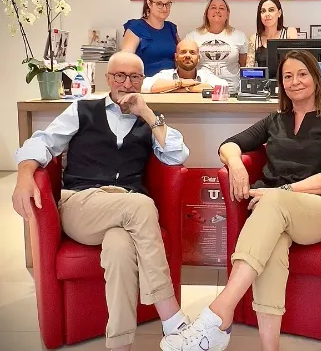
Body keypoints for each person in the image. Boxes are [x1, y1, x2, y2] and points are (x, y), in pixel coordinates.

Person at [160, 49, 321, 351]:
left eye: (302, 74)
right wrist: (236, 164)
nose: (295, 81)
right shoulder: (276, 120)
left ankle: (220, 311)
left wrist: (283, 192)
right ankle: (269, 347)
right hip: (277, 213)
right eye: (288, 76)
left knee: (271, 202)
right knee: (273, 248)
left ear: (316, 77)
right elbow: (229, 144)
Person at [11, 52, 191, 351]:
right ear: (108, 78)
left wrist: (147, 113)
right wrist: (24, 174)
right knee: (142, 205)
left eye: (135, 77)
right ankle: (171, 317)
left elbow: (176, 155)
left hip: (123, 211)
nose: (127, 83)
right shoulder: (83, 109)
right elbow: (42, 142)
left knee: (120, 249)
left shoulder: (149, 119)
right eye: (120, 76)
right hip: (81, 204)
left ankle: (120, 344)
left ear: (142, 80)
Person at [184, 0, 248, 94]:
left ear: (227, 15)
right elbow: (186, 66)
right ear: (206, 14)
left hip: (231, 92)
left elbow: (244, 65)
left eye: (221, 8)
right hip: (201, 91)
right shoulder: (192, 37)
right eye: (213, 7)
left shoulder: (240, 37)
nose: (217, 11)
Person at [121, 0, 180, 76]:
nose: (164, 8)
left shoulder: (171, 28)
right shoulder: (136, 27)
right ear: (149, 4)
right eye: (159, 4)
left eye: (167, 4)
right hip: (146, 81)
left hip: (172, 80)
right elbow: (125, 61)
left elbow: (181, 56)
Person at [142, 39, 228, 93]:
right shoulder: (166, 74)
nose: (187, 56)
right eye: (183, 52)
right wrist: (180, 83)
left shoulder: (205, 75)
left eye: (192, 52)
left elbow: (223, 87)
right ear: (176, 57)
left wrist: (186, 88)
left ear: (198, 58)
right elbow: (143, 86)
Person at [246, 0, 298, 68]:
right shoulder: (254, 38)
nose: (267, 14)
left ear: (279, 13)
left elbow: (295, 64)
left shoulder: (290, 32)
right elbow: (249, 68)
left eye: (271, 10)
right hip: (263, 75)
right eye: (263, 11)